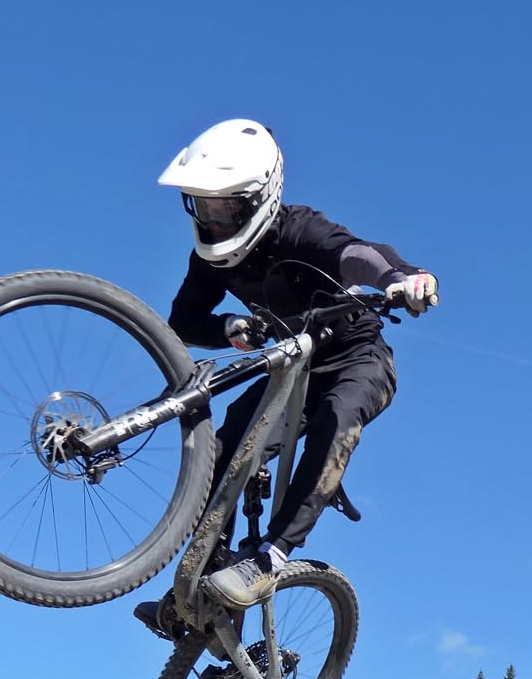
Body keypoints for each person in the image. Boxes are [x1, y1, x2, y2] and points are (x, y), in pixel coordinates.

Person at [135, 118, 437, 632]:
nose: (214, 222)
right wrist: (229, 326)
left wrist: (400, 278)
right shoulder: (211, 260)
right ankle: (201, 576)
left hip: (358, 359)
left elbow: (358, 254)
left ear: (259, 198)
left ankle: (270, 557)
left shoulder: (299, 229)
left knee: (337, 418)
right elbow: (183, 320)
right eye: (204, 207)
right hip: (295, 370)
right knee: (226, 444)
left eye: (226, 208)